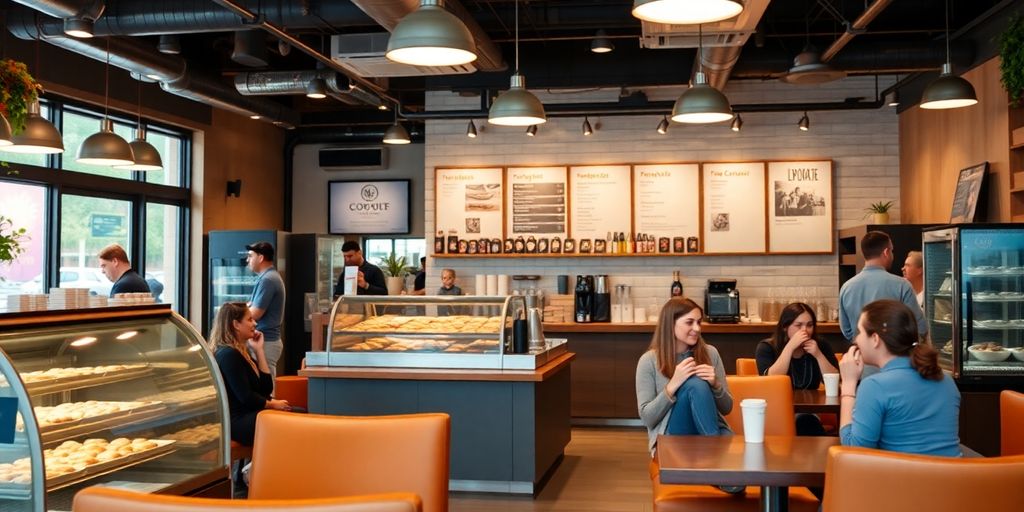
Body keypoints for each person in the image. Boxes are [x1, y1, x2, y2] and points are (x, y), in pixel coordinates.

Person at [636, 298, 740, 494]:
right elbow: (647, 417)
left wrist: (715, 384)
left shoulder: (711, 353)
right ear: (670, 324)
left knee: (740, 484)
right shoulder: (649, 361)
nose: (697, 328)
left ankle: (707, 463)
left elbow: (727, 408)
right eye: (689, 322)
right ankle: (716, 461)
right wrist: (673, 385)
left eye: (699, 322)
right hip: (673, 436)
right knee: (694, 384)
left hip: (712, 429)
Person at [838, 300, 960, 456]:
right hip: (952, 478)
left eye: (859, 332)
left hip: (901, 479)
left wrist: (848, 386)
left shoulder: (874, 386)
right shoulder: (947, 381)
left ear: (875, 339)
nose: (855, 340)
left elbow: (855, 452)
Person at [211, 302, 290, 446]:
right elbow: (246, 397)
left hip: (250, 415)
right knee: (293, 423)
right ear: (236, 324)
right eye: (249, 319)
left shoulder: (242, 352)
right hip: (238, 422)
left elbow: (265, 389)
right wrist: (272, 404)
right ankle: (262, 467)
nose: (255, 323)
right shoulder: (229, 355)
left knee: (299, 413)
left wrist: (259, 350)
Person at [755, 302, 839, 436]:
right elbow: (771, 381)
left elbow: (835, 381)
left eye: (810, 325)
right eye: (798, 325)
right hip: (776, 411)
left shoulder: (821, 345)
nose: (805, 330)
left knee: (806, 423)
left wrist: (818, 355)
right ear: (785, 327)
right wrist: (790, 347)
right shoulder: (767, 347)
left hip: (809, 413)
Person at [839, 231, 927, 343]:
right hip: (895, 355)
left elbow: (846, 331)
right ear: (886, 252)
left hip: (861, 355)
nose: (892, 254)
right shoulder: (902, 285)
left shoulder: (846, 288)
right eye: (892, 250)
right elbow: (920, 327)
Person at [245, 241, 285, 384]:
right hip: (265, 340)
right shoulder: (267, 277)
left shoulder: (268, 279)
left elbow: (255, 313)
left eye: (250, 256)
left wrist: (238, 312)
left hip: (265, 341)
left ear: (260, 258)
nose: (247, 260)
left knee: (266, 386)